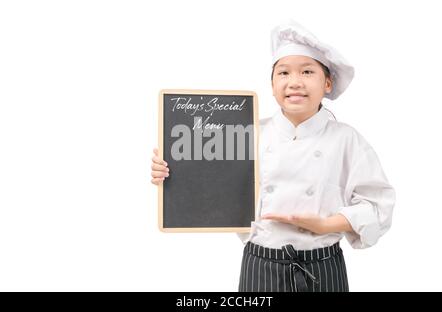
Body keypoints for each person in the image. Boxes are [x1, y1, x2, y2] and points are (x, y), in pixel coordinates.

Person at [151, 20, 395, 292]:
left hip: (322, 265)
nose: (294, 82)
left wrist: (325, 224)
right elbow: (209, 180)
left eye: (306, 71)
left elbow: (377, 207)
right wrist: (172, 173)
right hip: (260, 264)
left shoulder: (346, 139)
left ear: (327, 83)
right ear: (271, 84)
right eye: (283, 73)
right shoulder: (246, 133)